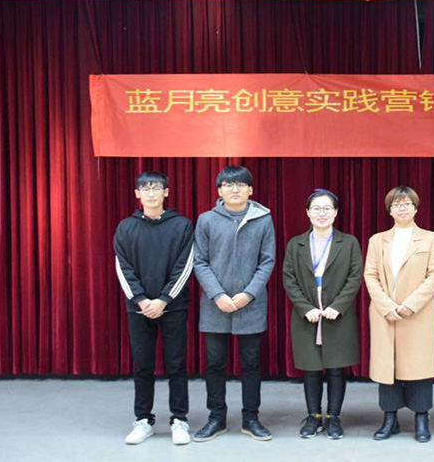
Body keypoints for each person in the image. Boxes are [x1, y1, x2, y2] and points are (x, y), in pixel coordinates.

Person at [192, 165, 276, 442]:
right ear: (219, 190)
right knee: (215, 363)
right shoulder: (206, 220)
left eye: (240, 184)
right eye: (228, 184)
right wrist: (218, 294)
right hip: (215, 304)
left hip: (250, 303)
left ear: (250, 189)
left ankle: (251, 418)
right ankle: (216, 418)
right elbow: (200, 261)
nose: (235, 189)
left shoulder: (263, 219)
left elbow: (267, 261)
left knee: (251, 363)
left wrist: (248, 294)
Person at [113, 171, 195, 445]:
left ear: (166, 192)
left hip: (173, 307)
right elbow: (123, 268)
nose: (151, 193)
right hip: (139, 309)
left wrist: (164, 299)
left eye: (156, 188)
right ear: (137, 194)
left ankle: (179, 420)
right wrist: (141, 300)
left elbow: (185, 265)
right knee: (143, 365)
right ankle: (143, 420)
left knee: (177, 365)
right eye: (145, 189)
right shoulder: (126, 227)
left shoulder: (182, 225)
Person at [364, 185, 434, 443]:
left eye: (407, 203)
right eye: (397, 204)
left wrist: (411, 304)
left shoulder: (430, 239)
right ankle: (390, 419)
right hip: (385, 313)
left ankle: (422, 418)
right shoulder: (377, 240)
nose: (402, 208)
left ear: (416, 208)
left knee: (419, 366)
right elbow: (370, 275)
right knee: (388, 367)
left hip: (417, 314)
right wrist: (386, 306)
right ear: (390, 210)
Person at [282, 189, 363, 440]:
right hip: (307, 315)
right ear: (308, 212)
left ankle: (333, 417)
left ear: (336, 212)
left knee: (337, 368)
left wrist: (338, 306)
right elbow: (289, 279)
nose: (322, 213)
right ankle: (313, 416)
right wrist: (305, 308)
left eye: (327, 208)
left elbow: (355, 277)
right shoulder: (296, 244)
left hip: (338, 315)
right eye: (316, 208)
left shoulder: (349, 243)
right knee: (311, 369)